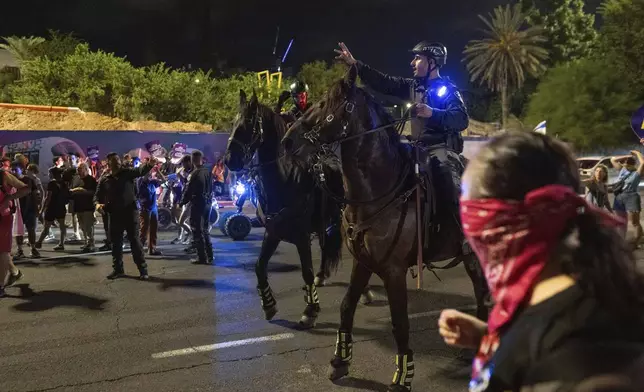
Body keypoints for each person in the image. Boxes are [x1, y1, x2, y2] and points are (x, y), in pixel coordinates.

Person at [438, 131, 644, 391]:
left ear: (501, 222)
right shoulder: (595, 293)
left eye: (469, 204)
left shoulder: (579, 360)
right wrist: (494, 342)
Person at [335, 40, 468, 250]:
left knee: (445, 177)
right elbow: (384, 82)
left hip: (440, 148)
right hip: (415, 147)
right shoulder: (412, 86)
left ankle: (461, 234)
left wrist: (433, 113)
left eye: (418, 58)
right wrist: (355, 65)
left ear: (432, 62)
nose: (412, 62)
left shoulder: (448, 89)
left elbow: (461, 119)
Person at [95, 152, 156, 280]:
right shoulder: (105, 179)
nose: (117, 161)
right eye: (113, 159)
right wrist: (97, 205)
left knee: (135, 241)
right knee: (116, 244)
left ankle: (143, 270)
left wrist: (149, 164)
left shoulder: (127, 173)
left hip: (130, 213)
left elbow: (140, 170)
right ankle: (118, 270)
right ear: (108, 163)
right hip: (114, 214)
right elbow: (97, 196)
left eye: (118, 158)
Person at [0, 165, 30, 297]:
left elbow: (26, 188)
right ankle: (15, 272)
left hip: (3, 218)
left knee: (2, 252)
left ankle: (0, 285)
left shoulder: (3, 175)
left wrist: (9, 198)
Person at [180, 150, 213, 265]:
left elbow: (188, 191)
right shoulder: (208, 171)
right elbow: (211, 187)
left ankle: (202, 257)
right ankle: (210, 255)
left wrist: (182, 202)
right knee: (205, 229)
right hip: (208, 203)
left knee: (196, 230)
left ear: (193, 160)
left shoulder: (195, 173)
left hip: (198, 203)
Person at [610, 151, 644, 246]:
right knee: (620, 220)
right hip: (619, 196)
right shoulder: (622, 169)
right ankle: (620, 241)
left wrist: (637, 153)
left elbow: (643, 163)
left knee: (635, 222)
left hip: (631, 196)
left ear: (634, 164)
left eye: (629, 162)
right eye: (625, 162)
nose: (626, 163)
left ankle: (637, 242)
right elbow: (612, 159)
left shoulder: (637, 172)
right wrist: (628, 156)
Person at [35, 167, 69, 251]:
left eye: (49, 173)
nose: (48, 175)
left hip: (52, 207)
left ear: (53, 174)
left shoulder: (51, 183)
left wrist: (42, 209)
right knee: (62, 226)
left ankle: (39, 242)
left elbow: (48, 198)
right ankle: (61, 244)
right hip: (61, 207)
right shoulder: (64, 183)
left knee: (46, 227)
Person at [13, 161, 41, 259]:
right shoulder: (10, 180)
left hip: (30, 208)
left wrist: (37, 208)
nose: (14, 171)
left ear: (23, 169)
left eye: (16, 169)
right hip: (17, 209)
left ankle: (33, 249)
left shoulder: (28, 180)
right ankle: (20, 250)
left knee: (31, 229)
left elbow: (34, 193)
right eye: (13, 169)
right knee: (18, 231)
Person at [137, 159, 164, 256]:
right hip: (145, 209)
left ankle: (152, 249)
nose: (149, 174)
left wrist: (158, 171)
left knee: (153, 229)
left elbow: (164, 180)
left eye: (150, 172)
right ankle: (138, 250)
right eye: (147, 172)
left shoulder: (152, 182)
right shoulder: (140, 183)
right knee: (143, 230)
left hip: (153, 209)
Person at [70, 162, 98, 253]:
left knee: (89, 226)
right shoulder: (78, 180)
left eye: (80, 169)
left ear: (86, 169)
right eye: (78, 170)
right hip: (79, 207)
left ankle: (91, 244)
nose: (78, 172)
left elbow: (93, 192)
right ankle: (86, 243)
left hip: (88, 207)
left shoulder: (91, 180)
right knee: (82, 226)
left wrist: (81, 190)